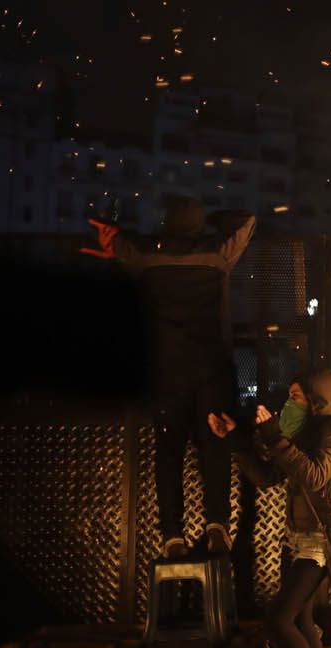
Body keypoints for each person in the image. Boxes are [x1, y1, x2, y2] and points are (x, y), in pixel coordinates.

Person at [86, 196, 255, 558]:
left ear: (166, 223)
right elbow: (246, 220)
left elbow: (115, 243)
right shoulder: (218, 253)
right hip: (211, 369)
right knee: (216, 446)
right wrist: (214, 216)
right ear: (197, 224)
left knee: (168, 451)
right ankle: (217, 525)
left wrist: (118, 236)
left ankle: (172, 535)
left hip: (165, 372)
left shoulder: (146, 255)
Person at [208, 371, 331, 648]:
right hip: (301, 538)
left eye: (296, 396)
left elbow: (314, 475)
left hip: (326, 541)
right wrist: (236, 440)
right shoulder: (304, 433)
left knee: (278, 620)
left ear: (316, 400)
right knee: (301, 619)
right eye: (289, 395)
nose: (289, 404)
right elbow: (269, 476)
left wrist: (276, 436)